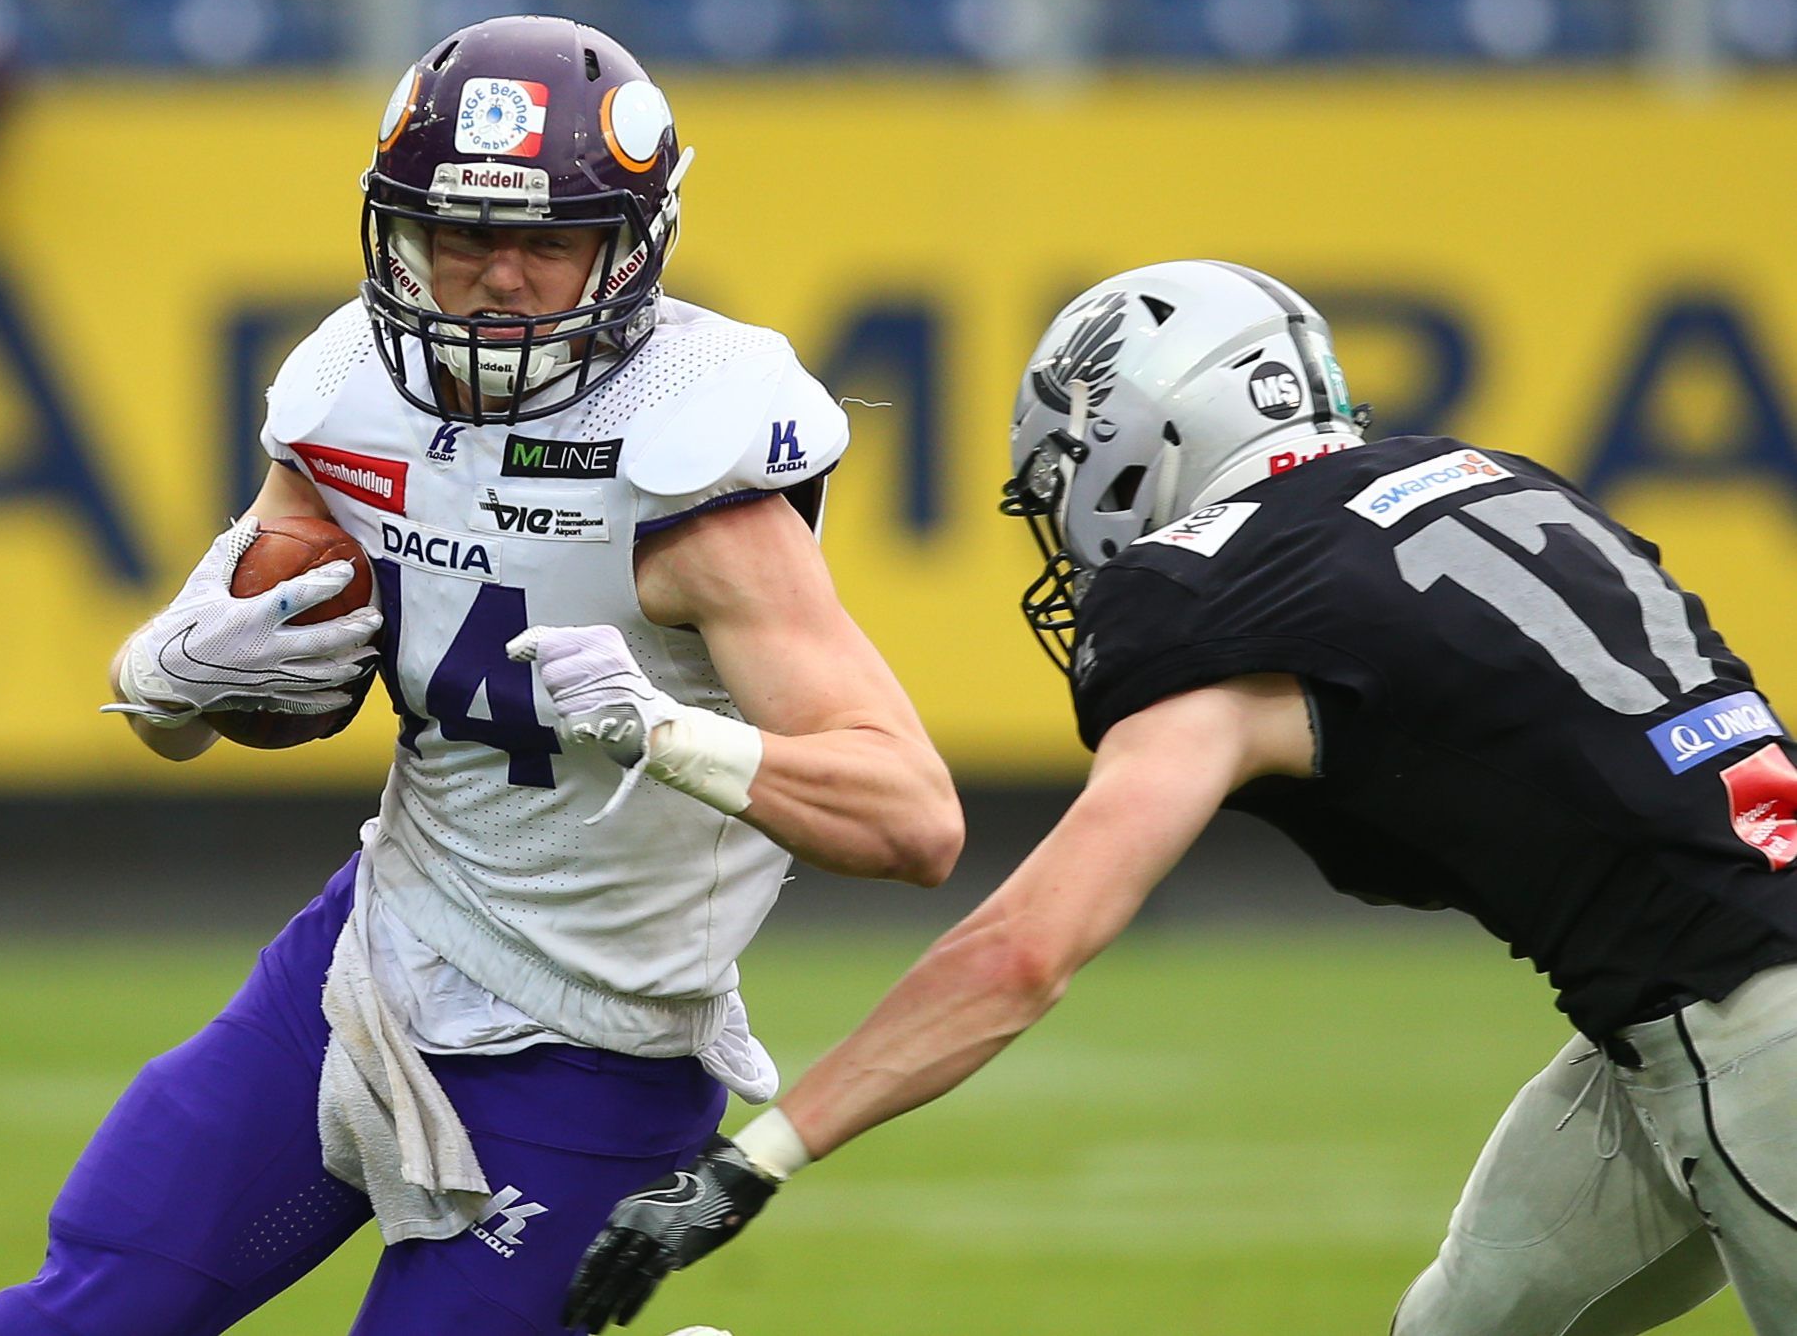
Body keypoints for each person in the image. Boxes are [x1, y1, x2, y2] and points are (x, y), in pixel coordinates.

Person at [564, 259, 1797, 1336]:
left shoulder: (1220, 594)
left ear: (1140, 435)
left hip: (1743, 1024)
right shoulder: (1485, 476)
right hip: (1685, 1002)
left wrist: (755, 1160)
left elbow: (1024, 951)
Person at [0, 15, 961, 1336]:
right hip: (369, 959)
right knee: (76, 1312)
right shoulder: (350, 391)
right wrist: (164, 677)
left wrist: (667, 734)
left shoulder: (695, 469)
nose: (499, 277)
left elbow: (913, 818)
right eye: (460, 234)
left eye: (547, 241)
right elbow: (251, 681)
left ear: (629, 243)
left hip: (598, 1042)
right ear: (400, 230)